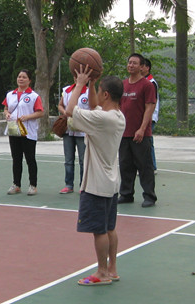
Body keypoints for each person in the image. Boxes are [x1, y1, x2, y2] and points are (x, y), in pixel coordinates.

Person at [66, 69, 126, 286]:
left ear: (106, 95)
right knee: (110, 227)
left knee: (99, 230)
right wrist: (91, 84)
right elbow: (93, 106)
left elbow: (70, 110)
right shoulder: (116, 116)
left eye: (100, 91)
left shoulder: (103, 119)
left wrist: (79, 85)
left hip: (96, 183)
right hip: (111, 182)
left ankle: (101, 273)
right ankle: (112, 269)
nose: (97, 95)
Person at [118, 53, 157, 207]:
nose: (131, 65)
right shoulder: (123, 85)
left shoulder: (147, 85)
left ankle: (149, 196)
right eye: (129, 62)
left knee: (144, 166)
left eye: (134, 63)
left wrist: (142, 129)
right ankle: (126, 194)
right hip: (124, 132)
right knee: (125, 165)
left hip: (140, 133)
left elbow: (150, 107)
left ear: (141, 67)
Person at [3, 69, 45, 195]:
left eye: (24, 77)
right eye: (19, 76)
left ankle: (33, 185)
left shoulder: (34, 96)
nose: (21, 79)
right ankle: (16, 184)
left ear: (29, 80)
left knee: (30, 159)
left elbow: (40, 112)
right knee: (16, 158)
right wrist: (7, 114)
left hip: (28, 132)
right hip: (13, 130)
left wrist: (28, 117)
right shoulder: (10, 94)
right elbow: (6, 108)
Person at [57, 74, 90, 193]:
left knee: (83, 160)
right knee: (68, 159)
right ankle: (69, 184)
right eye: (75, 76)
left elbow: (93, 108)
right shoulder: (66, 90)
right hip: (68, 129)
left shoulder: (89, 92)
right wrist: (65, 112)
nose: (77, 78)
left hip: (82, 131)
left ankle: (83, 185)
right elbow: (60, 105)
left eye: (80, 76)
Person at [141, 58, 160, 171]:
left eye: (142, 66)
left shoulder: (151, 83)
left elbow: (153, 102)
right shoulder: (142, 81)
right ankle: (148, 165)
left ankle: (151, 166)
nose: (140, 68)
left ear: (147, 68)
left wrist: (149, 116)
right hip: (143, 115)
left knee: (147, 140)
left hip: (150, 116)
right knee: (145, 141)